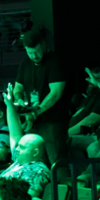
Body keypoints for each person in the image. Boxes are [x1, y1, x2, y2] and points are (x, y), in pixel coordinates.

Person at [14, 29, 69, 164]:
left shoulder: (55, 61)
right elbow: (18, 87)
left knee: (56, 161)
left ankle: (61, 184)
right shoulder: (25, 63)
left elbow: (55, 93)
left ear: (43, 45)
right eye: (30, 52)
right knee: (33, 160)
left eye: (36, 51)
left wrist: (35, 112)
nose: (34, 56)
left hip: (53, 120)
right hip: (33, 120)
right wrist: (19, 98)